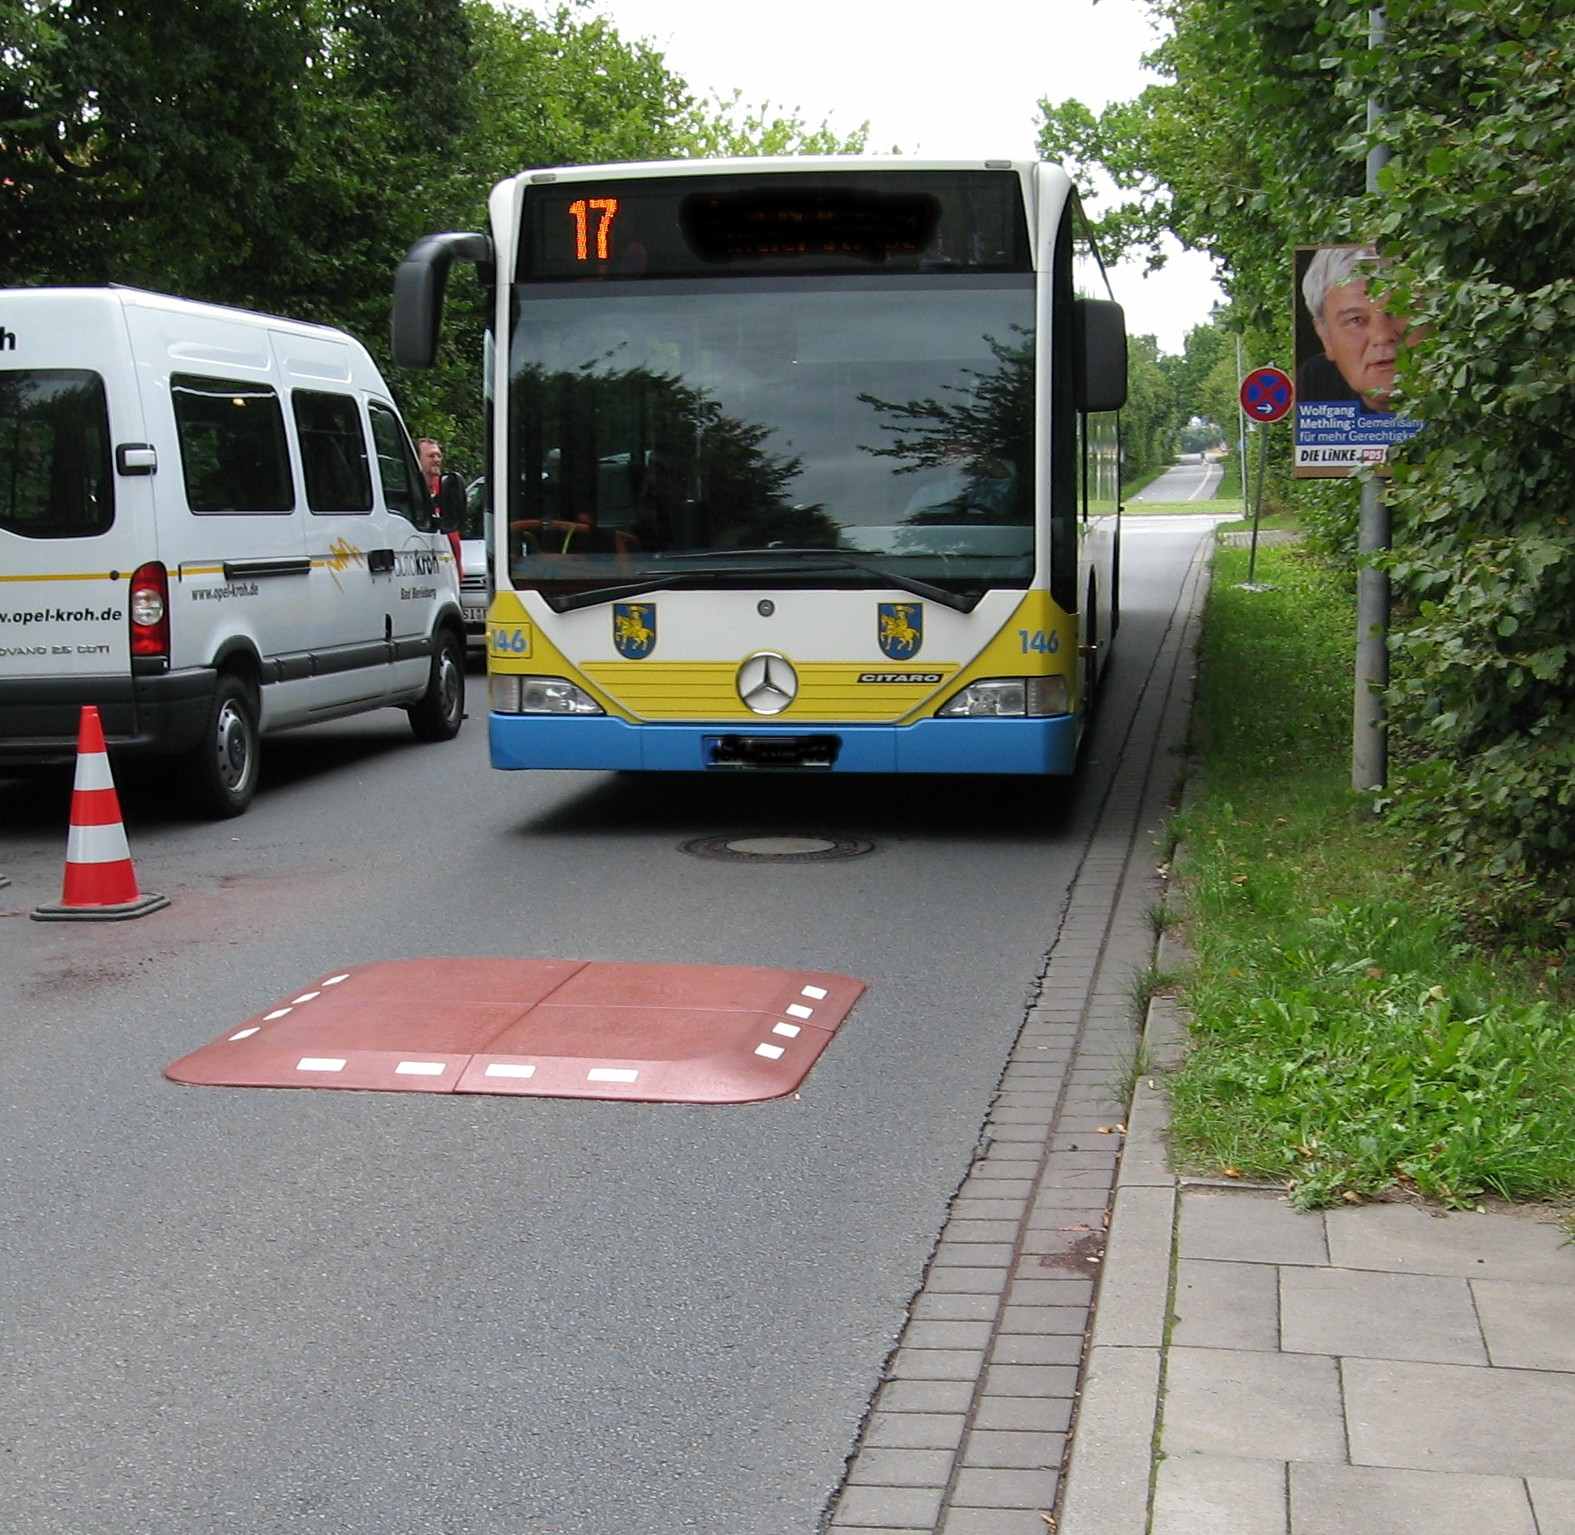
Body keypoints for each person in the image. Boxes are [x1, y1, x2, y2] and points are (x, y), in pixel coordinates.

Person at [1297, 246, 1418, 412]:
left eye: (1399, 310)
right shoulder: (1315, 381)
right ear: (1325, 337)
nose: (1382, 336)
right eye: (1356, 320)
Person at [417, 437, 466, 570]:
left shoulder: (447, 489)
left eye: (439, 455)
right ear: (417, 460)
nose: (437, 460)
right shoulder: (412, 494)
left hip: (449, 568)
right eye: (431, 456)